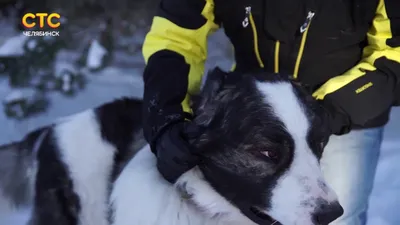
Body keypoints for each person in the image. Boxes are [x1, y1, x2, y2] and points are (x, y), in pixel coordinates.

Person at [141, 0, 400, 224]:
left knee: (333, 219)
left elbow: (394, 53)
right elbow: (176, 37)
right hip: (250, 122)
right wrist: (168, 112)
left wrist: (327, 111)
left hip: (346, 115)